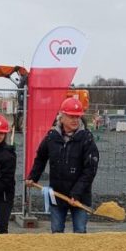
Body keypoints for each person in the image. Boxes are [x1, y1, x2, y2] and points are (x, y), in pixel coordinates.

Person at [25, 96, 100, 233]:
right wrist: (33, 177)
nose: (75, 120)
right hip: (57, 194)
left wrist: (76, 193)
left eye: (77, 116)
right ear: (62, 117)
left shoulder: (86, 139)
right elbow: (41, 158)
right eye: (71, 116)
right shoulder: (52, 137)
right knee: (57, 231)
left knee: (79, 232)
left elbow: (90, 170)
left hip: (80, 196)